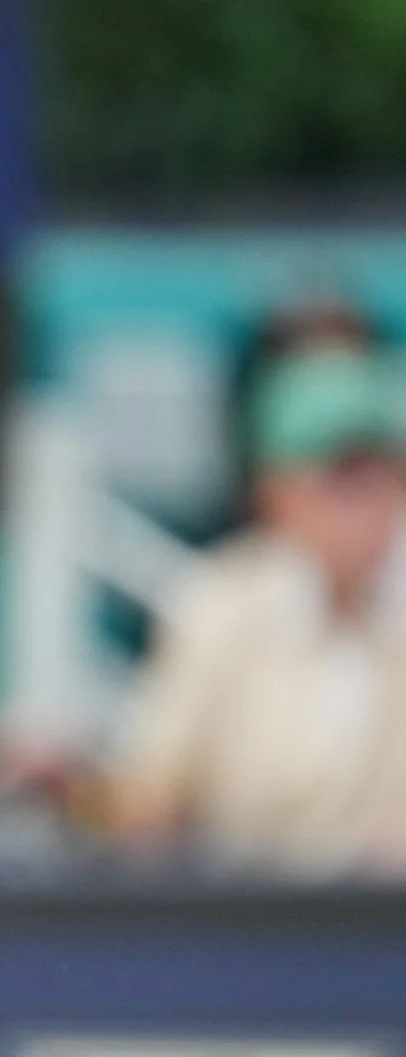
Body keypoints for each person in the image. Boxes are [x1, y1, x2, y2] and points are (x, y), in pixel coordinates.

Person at [99, 338, 406, 876]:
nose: (358, 502)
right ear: (274, 492)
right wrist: (76, 796)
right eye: (335, 477)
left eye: (376, 474)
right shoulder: (216, 608)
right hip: (249, 935)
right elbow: (151, 798)